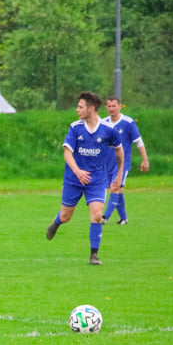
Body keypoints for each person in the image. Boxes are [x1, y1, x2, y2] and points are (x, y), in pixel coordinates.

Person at [46, 92, 123, 266]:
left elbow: (119, 150)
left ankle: (93, 255)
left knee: (96, 215)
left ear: (91, 108)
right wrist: (78, 171)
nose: (77, 110)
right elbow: (67, 153)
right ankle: (56, 223)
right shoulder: (75, 128)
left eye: (80, 107)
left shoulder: (108, 130)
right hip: (73, 179)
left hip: (96, 180)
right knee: (66, 216)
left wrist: (118, 176)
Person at [101, 97, 149, 225]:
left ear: (120, 106)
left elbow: (138, 141)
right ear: (106, 107)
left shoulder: (128, 122)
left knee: (114, 188)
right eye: (109, 106)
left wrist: (145, 159)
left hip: (122, 164)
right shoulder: (103, 123)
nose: (111, 109)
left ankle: (105, 217)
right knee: (118, 190)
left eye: (114, 106)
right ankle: (123, 218)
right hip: (107, 164)